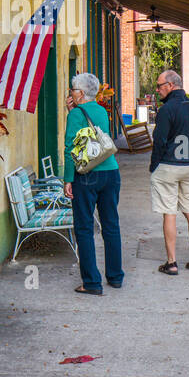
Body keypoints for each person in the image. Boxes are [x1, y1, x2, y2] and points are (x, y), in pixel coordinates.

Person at [63, 73, 123, 294]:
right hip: (111, 172)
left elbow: (71, 147)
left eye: (72, 90)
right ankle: (115, 277)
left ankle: (91, 282)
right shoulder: (100, 110)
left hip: (87, 175)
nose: (70, 93)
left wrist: (68, 179)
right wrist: (74, 111)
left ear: (80, 93)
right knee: (111, 225)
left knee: (84, 228)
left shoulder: (76, 114)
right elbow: (92, 135)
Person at [150, 69, 189, 274]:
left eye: (159, 86)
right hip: (188, 165)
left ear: (171, 85)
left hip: (168, 165)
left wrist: (154, 166)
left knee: (169, 213)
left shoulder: (167, 110)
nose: (157, 90)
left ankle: (171, 262)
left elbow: (159, 140)